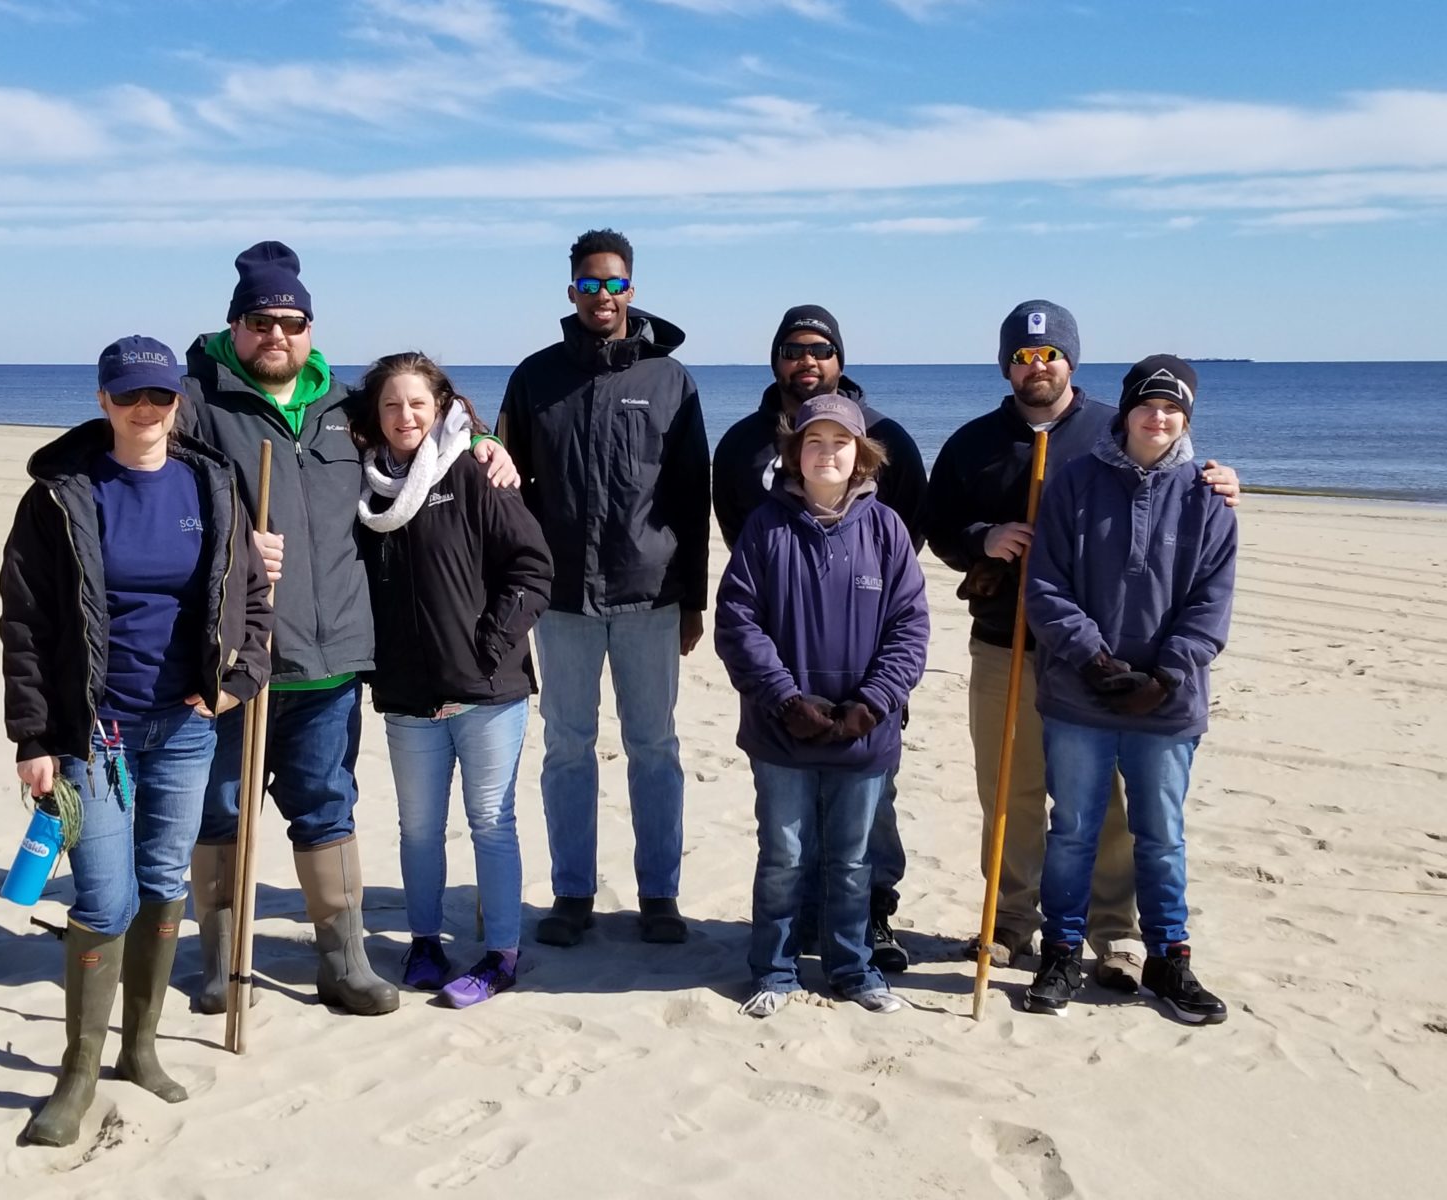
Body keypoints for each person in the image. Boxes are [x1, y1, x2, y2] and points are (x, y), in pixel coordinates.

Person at [180, 241, 517, 1017]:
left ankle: (344, 962)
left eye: (293, 322)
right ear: (236, 325)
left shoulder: (345, 409)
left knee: (327, 804)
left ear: (310, 329)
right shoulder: (200, 400)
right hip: (239, 660)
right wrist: (225, 544)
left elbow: (426, 426)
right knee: (223, 809)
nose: (278, 335)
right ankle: (220, 962)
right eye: (262, 321)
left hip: (331, 663)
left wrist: (488, 442)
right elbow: (155, 487)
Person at [0, 336, 272, 1146]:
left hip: (187, 724)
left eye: (159, 398)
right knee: (104, 897)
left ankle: (140, 1050)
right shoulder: (59, 495)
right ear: (102, 401)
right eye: (129, 398)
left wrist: (238, 680)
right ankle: (77, 1072)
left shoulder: (213, 484)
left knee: (163, 880)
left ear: (177, 403)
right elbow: (26, 625)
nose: (145, 412)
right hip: (93, 734)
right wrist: (34, 735)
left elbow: (251, 600)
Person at [921, 300, 1240, 991]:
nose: (1039, 366)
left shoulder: (1113, 430)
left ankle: (1115, 935)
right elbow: (937, 525)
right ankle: (1009, 921)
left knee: (1115, 805)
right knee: (1012, 788)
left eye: (1051, 354)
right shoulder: (973, 442)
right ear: (1008, 364)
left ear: (1072, 359)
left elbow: (1173, 477)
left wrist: (1221, 480)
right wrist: (983, 538)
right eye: (1024, 356)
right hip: (1005, 641)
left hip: (1109, 661)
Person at [497, 228, 710, 948]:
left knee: (655, 746)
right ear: (572, 293)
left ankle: (659, 894)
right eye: (590, 285)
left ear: (632, 289)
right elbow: (505, 489)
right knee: (566, 746)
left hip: (650, 595)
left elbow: (692, 495)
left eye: (614, 283)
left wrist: (695, 599)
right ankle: (572, 892)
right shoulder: (535, 378)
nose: (603, 296)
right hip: (561, 601)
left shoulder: (670, 381)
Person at [712, 304, 927, 973]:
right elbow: (739, 598)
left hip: (867, 685)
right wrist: (780, 692)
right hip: (783, 684)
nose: (807, 360)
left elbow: (909, 588)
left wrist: (876, 691)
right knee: (785, 841)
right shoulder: (743, 449)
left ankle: (869, 924)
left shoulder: (887, 467)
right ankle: (788, 943)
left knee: (864, 828)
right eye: (793, 349)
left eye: (821, 349)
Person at [1023, 356, 1236, 1023]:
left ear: (1187, 418)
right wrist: (1093, 660)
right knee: (1075, 831)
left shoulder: (1209, 494)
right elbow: (1046, 585)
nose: (1159, 417)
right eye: (1148, 404)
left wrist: (1168, 672)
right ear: (1126, 410)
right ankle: (1059, 951)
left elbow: (1211, 601)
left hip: (1168, 703)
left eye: (1172, 408)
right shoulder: (1074, 482)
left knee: (1161, 835)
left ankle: (1169, 958)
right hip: (1080, 695)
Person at [352, 353, 553, 1008]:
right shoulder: (365, 490)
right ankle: (425, 942)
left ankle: (501, 954)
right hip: (408, 695)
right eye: (390, 405)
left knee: (491, 823)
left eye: (417, 403)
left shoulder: (474, 470)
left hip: (487, 692)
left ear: (441, 406)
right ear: (374, 416)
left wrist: (487, 651)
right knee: (417, 828)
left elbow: (532, 568)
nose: (404, 416)